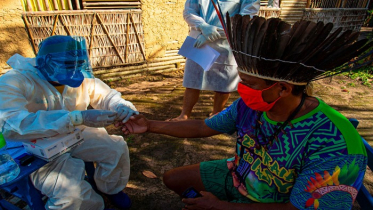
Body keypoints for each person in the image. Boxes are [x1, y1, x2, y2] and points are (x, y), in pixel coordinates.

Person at [119, 16, 372, 209]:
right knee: (174, 179)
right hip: (243, 174)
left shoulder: (336, 144)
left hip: (280, 201)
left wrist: (221, 207)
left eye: (249, 84)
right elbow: (203, 127)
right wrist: (150, 125)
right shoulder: (250, 106)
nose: (241, 90)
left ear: (282, 88)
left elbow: (299, 207)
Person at [0, 35, 138, 210]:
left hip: (75, 133)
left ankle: (111, 188)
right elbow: (10, 124)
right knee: (71, 195)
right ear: (46, 61)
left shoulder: (79, 74)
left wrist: (121, 106)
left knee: (115, 149)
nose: (75, 69)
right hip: (35, 146)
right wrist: (76, 118)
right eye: (67, 64)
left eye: (78, 63)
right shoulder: (15, 80)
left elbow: (107, 95)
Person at [169, 0, 260, 121]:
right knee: (192, 81)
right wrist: (203, 26)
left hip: (227, 43)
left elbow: (246, 18)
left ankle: (216, 115)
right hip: (199, 40)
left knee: (223, 82)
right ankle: (184, 115)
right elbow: (189, 12)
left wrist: (216, 32)